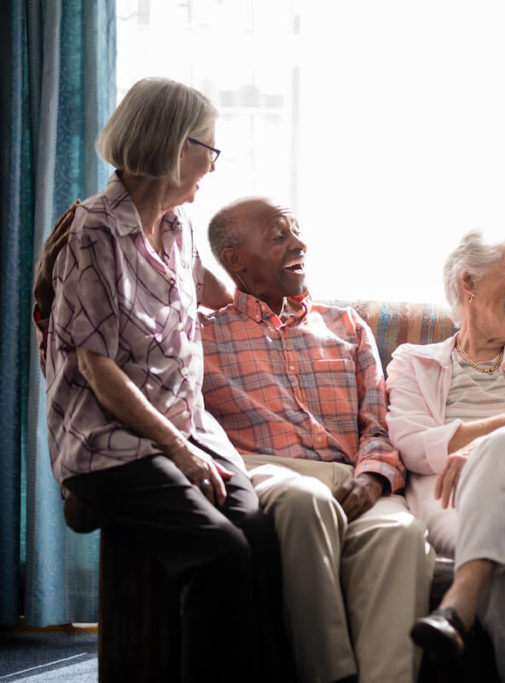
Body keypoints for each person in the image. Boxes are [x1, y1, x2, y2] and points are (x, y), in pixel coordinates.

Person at [41, 77, 289, 681]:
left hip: (186, 425)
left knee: (256, 531)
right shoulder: (93, 232)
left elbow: (217, 293)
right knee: (219, 554)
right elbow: (99, 374)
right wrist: (178, 451)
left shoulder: (177, 228)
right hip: (112, 439)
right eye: (211, 148)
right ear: (176, 147)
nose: (213, 163)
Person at [201, 197, 434, 683]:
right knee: (304, 500)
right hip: (266, 472)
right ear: (237, 260)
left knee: (401, 533)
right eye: (279, 236)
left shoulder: (346, 324)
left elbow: (379, 423)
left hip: (352, 478)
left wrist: (373, 479)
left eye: (297, 232)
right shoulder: (199, 335)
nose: (300, 244)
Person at [385, 232, 505, 683]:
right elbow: (412, 444)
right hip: (447, 495)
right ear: (468, 282)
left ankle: (460, 601)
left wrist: (483, 444)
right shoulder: (412, 360)